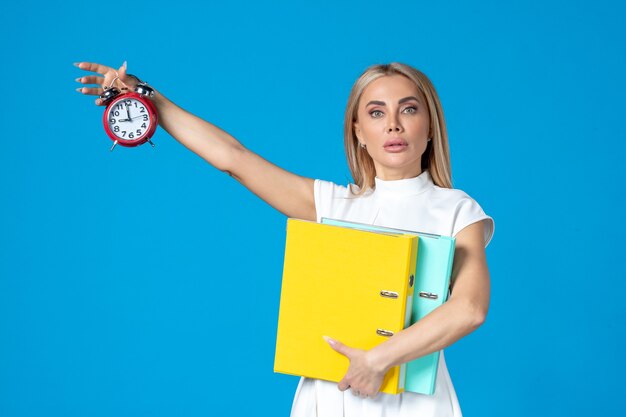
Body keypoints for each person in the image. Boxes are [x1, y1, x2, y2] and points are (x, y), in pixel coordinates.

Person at [75, 61, 494, 417]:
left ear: (431, 125)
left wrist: (378, 359)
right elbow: (233, 158)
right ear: (359, 132)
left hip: (415, 405)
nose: (394, 125)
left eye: (409, 109)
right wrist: (147, 97)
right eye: (376, 113)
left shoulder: (457, 210)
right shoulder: (332, 204)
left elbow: (470, 309)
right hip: (331, 399)